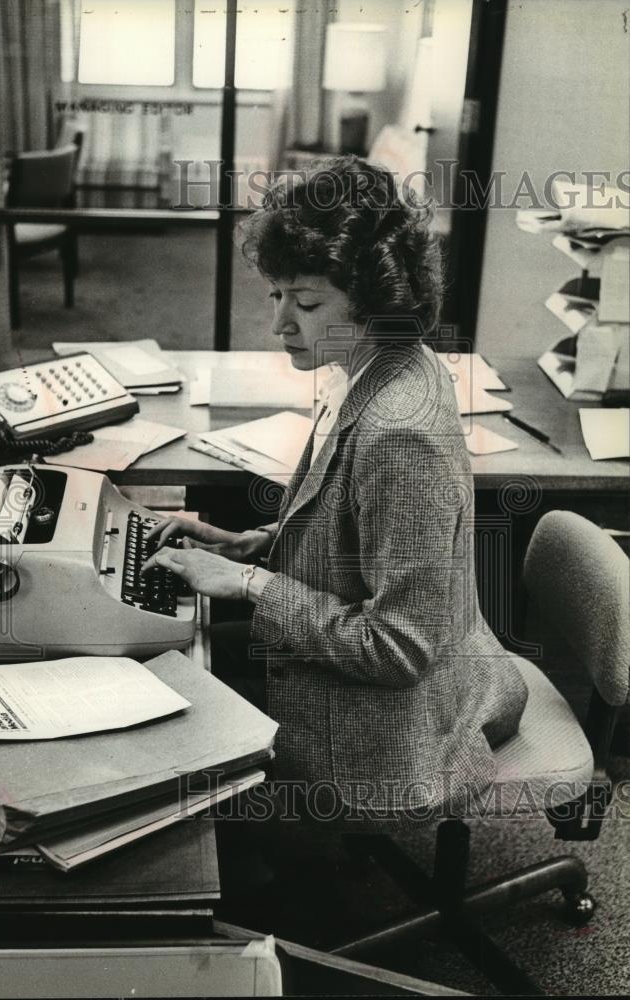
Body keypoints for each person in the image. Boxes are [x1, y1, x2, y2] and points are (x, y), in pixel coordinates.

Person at [144, 156, 528, 819]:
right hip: (424, 665)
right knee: (184, 649)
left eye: (307, 302)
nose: (279, 325)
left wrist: (248, 584)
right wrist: (246, 544)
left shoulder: (396, 433)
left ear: (376, 300)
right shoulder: (373, 364)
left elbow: (399, 648)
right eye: (276, 296)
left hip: (395, 727)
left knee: (163, 719)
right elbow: (357, 539)